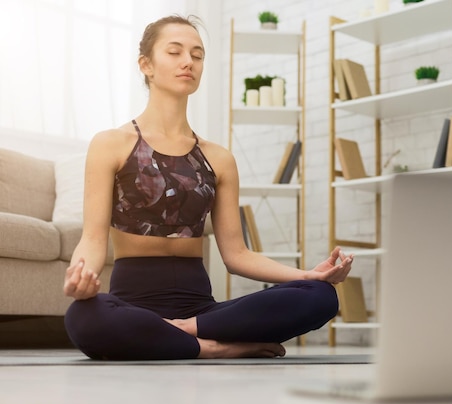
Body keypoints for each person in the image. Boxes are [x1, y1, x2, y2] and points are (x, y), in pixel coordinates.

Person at [63, 15, 353, 360]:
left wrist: (307, 274)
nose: (188, 61)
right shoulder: (110, 144)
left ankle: (182, 334)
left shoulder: (219, 157)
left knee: (321, 296)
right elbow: (94, 238)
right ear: (146, 65)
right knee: (81, 316)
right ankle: (214, 347)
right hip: (132, 306)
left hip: (201, 310)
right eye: (174, 52)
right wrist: (80, 278)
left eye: (197, 55)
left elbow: (237, 255)